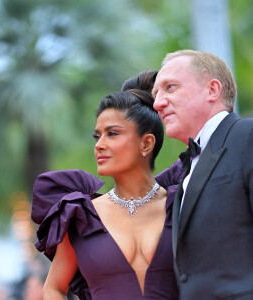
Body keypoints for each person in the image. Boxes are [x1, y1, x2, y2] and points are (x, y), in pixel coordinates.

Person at [31, 70, 180, 299]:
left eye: (112, 134)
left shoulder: (182, 203)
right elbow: (54, 288)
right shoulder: (81, 215)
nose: (99, 145)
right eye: (97, 136)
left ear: (147, 143)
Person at [152, 49, 253, 299]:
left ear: (212, 90)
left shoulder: (248, 136)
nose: (157, 103)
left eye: (170, 87)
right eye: (155, 94)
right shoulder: (186, 168)